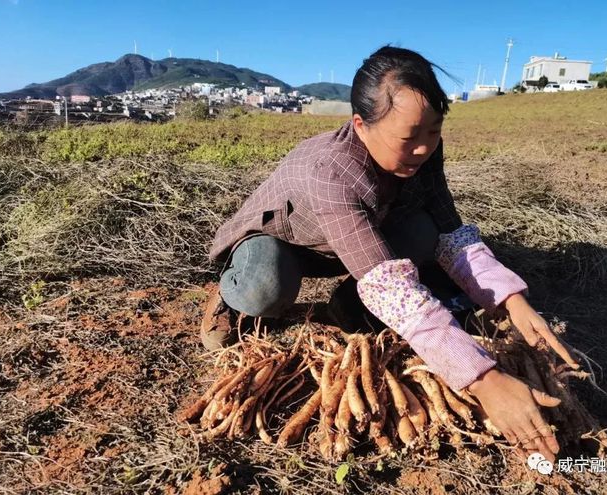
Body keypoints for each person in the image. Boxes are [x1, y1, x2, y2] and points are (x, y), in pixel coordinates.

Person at [202, 45, 580, 463]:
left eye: (433, 131)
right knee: (265, 291)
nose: (423, 148)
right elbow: (390, 285)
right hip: (285, 242)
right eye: (408, 137)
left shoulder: (424, 150)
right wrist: (484, 381)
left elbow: (452, 231)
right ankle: (229, 294)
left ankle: (349, 299)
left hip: (357, 241)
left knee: (424, 233)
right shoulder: (331, 171)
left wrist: (510, 298)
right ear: (361, 125)